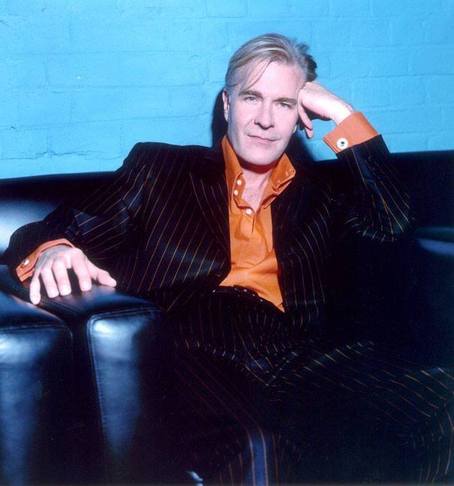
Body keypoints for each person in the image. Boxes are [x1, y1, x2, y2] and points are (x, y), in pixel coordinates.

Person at [4, 33, 453, 483]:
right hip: (196, 355)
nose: (265, 120)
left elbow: (394, 224)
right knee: (258, 445)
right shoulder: (160, 170)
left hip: (300, 356)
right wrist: (53, 250)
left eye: (283, 103)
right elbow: (43, 231)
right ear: (226, 105)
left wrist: (341, 112)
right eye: (251, 97)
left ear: (301, 115)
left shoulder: (321, 194)